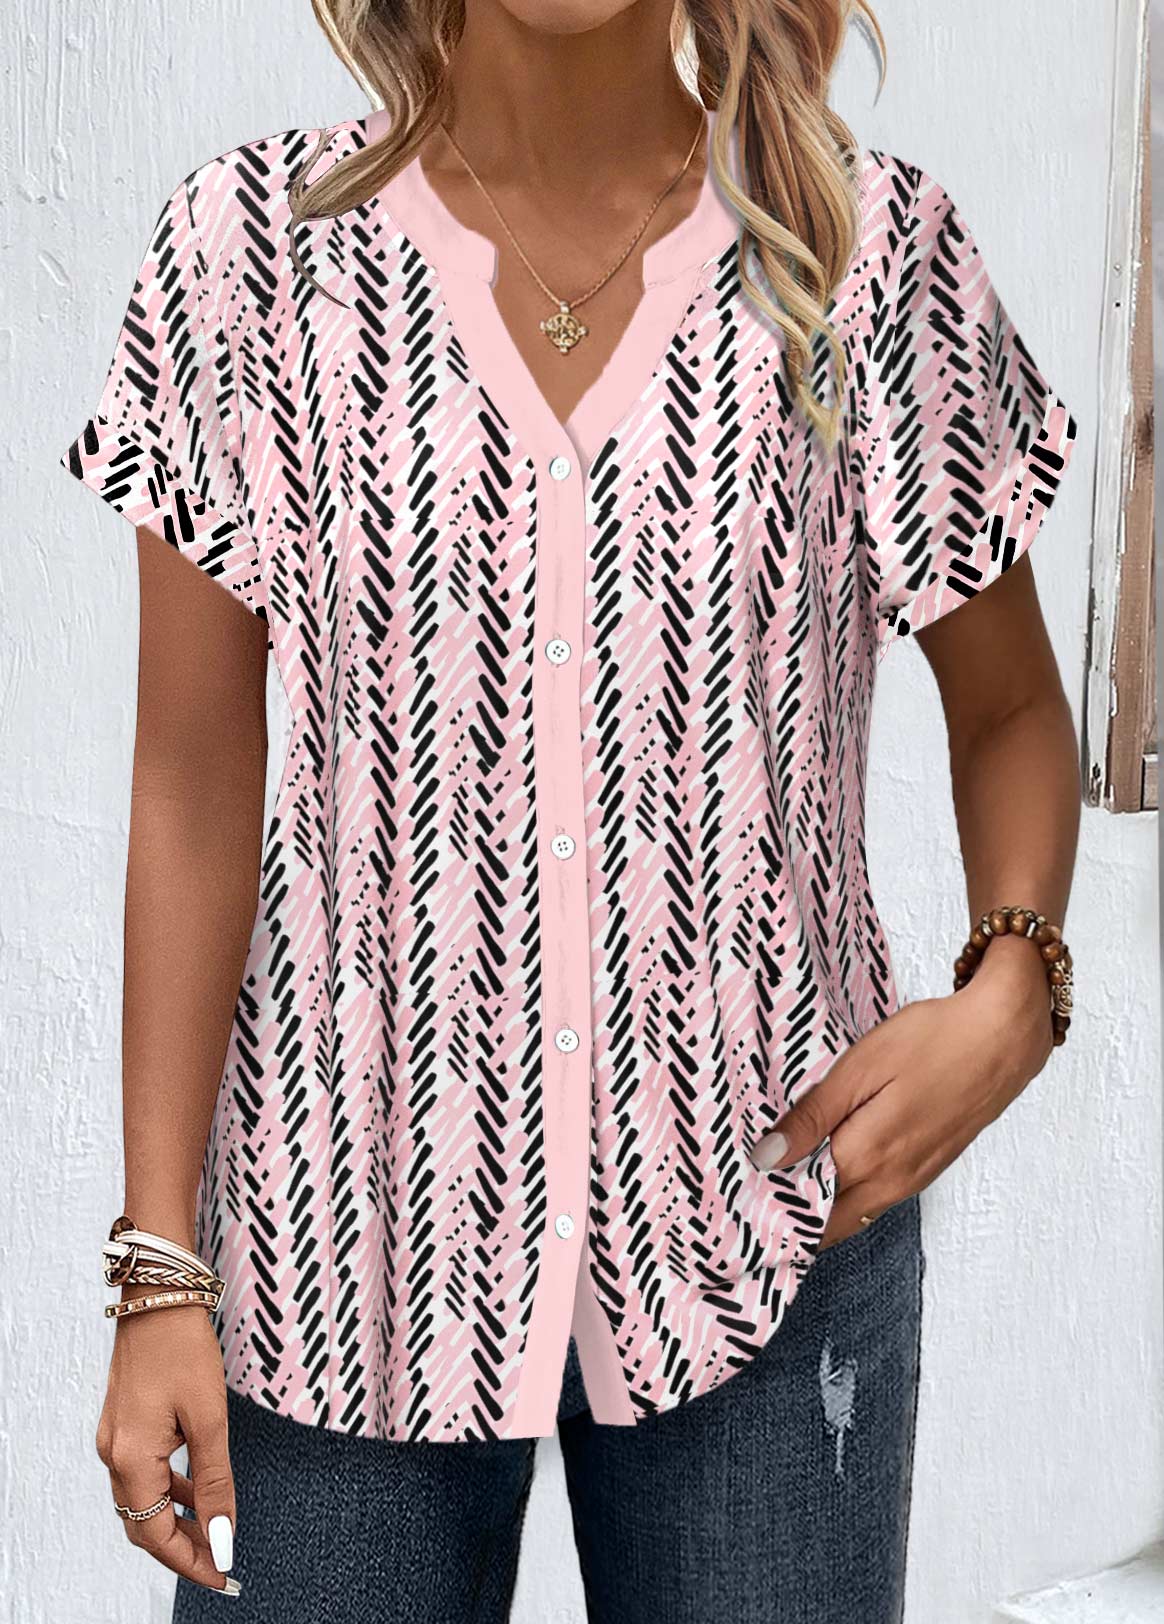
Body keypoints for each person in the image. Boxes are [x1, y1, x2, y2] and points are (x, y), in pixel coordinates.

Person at [61, 0, 1081, 1619]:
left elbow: (1013, 704)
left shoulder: (868, 257)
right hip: (337, 1254)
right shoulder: (246, 257)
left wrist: (1017, 980)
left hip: (775, 1232)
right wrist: (155, 1271)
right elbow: (189, 783)